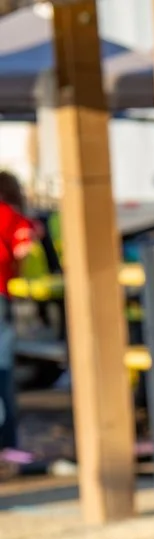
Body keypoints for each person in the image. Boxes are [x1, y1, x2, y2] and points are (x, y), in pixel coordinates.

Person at [0, 172, 41, 467]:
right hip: (0, 293)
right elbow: (24, 247)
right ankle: (8, 444)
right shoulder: (10, 216)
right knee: (3, 373)